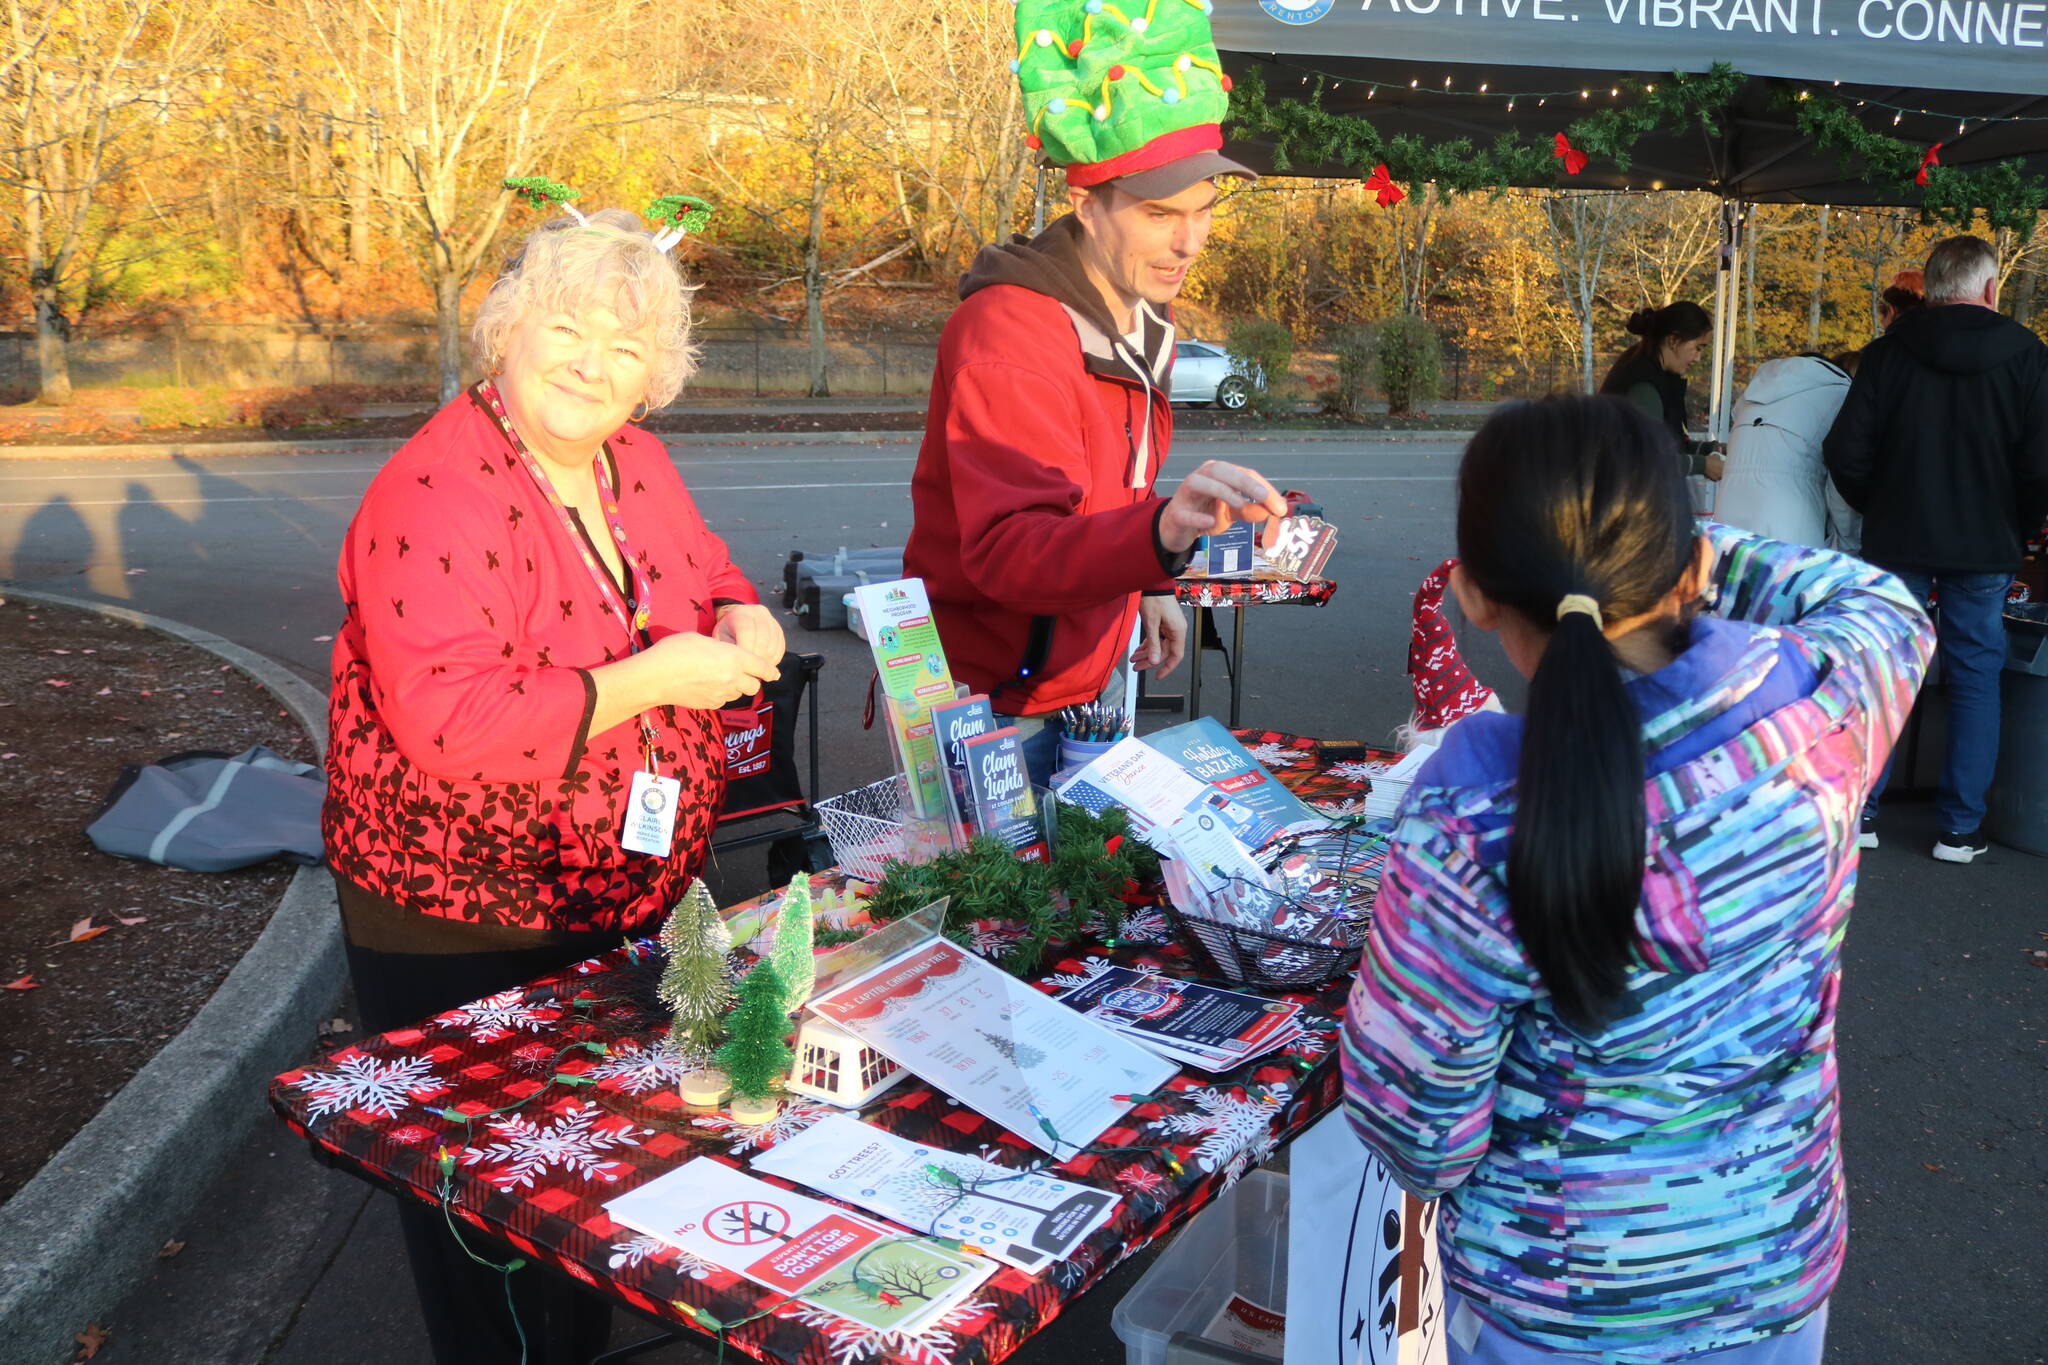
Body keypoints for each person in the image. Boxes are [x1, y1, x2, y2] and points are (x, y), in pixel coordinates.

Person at [1343, 395, 1932, 1364]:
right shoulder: (1826, 703)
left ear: (1472, 597)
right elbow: (1882, 604)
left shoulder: (1468, 816)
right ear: (1693, 568)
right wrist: (1673, 543)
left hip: (1555, 1311)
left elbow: (1418, 1133)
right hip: (1773, 1276)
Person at [321, 202, 783, 1363]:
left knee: (590, 1186)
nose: (593, 363)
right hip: (467, 919)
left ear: (656, 376)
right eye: (569, 328)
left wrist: (738, 607)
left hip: (611, 890)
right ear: (506, 332)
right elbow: (450, 724)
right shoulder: (434, 492)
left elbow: (700, 560)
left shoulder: (635, 456)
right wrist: (650, 678)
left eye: (627, 347)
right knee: (493, 1220)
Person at [906, 0, 1286, 784]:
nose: (1188, 242)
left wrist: (1148, 579)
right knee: (1010, 906)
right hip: (995, 706)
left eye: (1203, 212)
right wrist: (1158, 537)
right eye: (1159, 214)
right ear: (1084, 204)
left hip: (1087, 679)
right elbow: (1009, 550)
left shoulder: (1145, 313)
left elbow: (1118, 484)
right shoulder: (1008, 334)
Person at [1824, 233, 2048, 861]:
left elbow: (1845, 451)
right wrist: (2020, 524)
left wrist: (1881, 507)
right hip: (1985, 546)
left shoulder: (1888, 354)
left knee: (1888, 673)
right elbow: (2041, 466)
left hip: (1899, 539)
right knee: (1978, 678)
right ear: (1990, 288)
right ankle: (1959, 829)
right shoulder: (2030, 357)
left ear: (1933, 287)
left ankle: (1862, 813)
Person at [1713, 352, 1853, 549]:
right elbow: (1840, 484)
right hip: (1790, 524)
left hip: (1728, 516)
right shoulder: (1841, 395)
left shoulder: (1752, 394)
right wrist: (1850, 544)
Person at [1599, 302, 1725, 481]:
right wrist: (1702, 465)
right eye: (1698, 347)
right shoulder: (1644, 385)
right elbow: (1648, 461)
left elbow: (1668, 444)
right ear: (1673, 341)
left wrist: (1710, 449)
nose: (1698, 358)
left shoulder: (1649, 368)